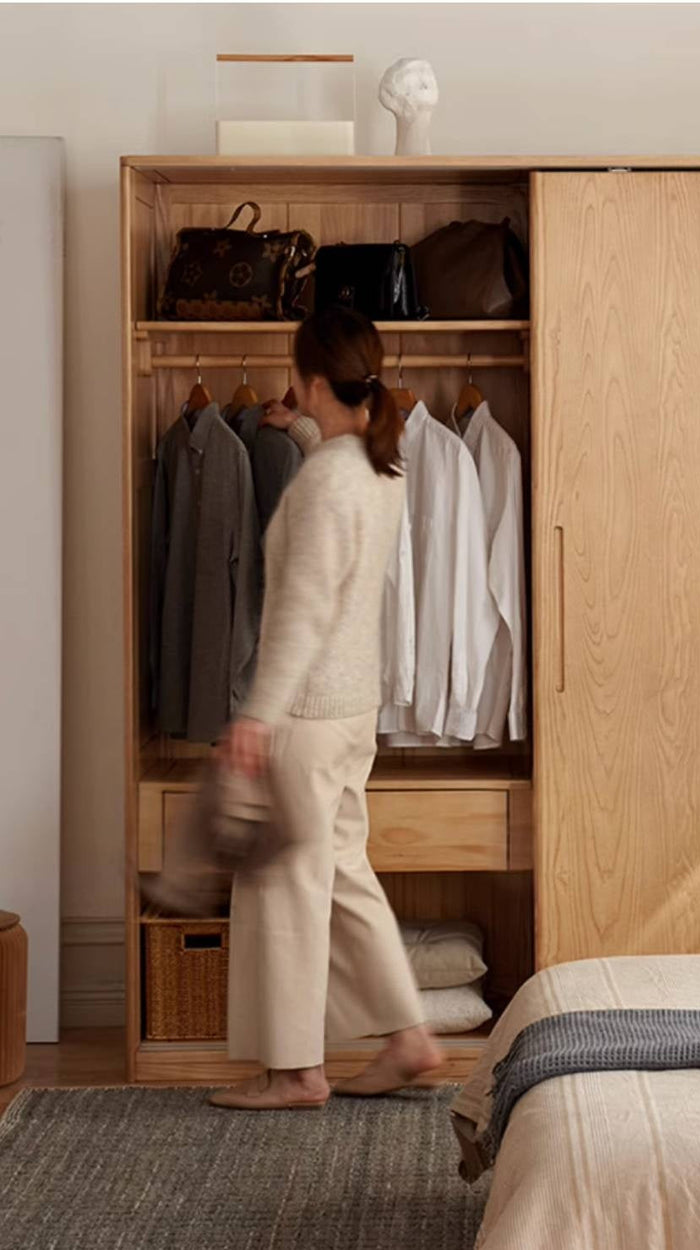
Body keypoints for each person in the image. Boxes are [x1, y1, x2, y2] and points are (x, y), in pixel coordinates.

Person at [209, 307, 441, 1110]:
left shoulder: (326, 482)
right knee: (340, 872)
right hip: (352, 713)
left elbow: (301, 613)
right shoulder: (379, 468)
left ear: (312, 379)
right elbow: (335, 519)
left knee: (280, 884)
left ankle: (294, 1071)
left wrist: (254, 717)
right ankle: (408, 1035)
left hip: (304, 713)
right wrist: (305, 432)